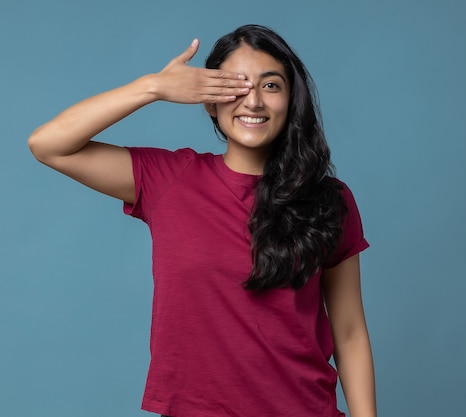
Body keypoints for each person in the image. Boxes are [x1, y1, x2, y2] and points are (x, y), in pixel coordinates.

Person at [28, 24, 376, 417]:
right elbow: (48, 144)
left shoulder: (328, 198)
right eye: (236, 85)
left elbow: (348, 331)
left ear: (291, 99)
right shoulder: (169, 179)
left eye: (271, 86)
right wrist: (153, 87)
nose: (254, 101)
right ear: (209, 100)